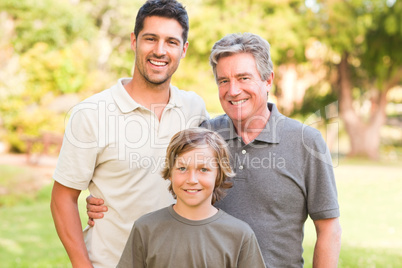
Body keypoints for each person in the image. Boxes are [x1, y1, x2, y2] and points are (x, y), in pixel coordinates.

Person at [87, 32, 342, 267]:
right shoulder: (205, 136)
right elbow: (168, 178)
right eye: (223, 80)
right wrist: (106, 199)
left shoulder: (305, 142)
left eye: (244, 78)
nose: (233, 90)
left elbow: (328, 228)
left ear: (268, 80)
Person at [50, 0, 208, 267]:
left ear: (184, 50)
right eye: (150, 38)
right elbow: (62, 198)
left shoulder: (195, 109)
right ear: (134, 41)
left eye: (171, 41)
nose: (160, 50)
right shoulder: (91, 113)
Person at [116, 128, 266, 267]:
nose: (192, 179)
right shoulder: (145, 229)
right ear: (170, 172)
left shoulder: (240, 235)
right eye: (182, 168)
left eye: (203, 169)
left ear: (218, 174)